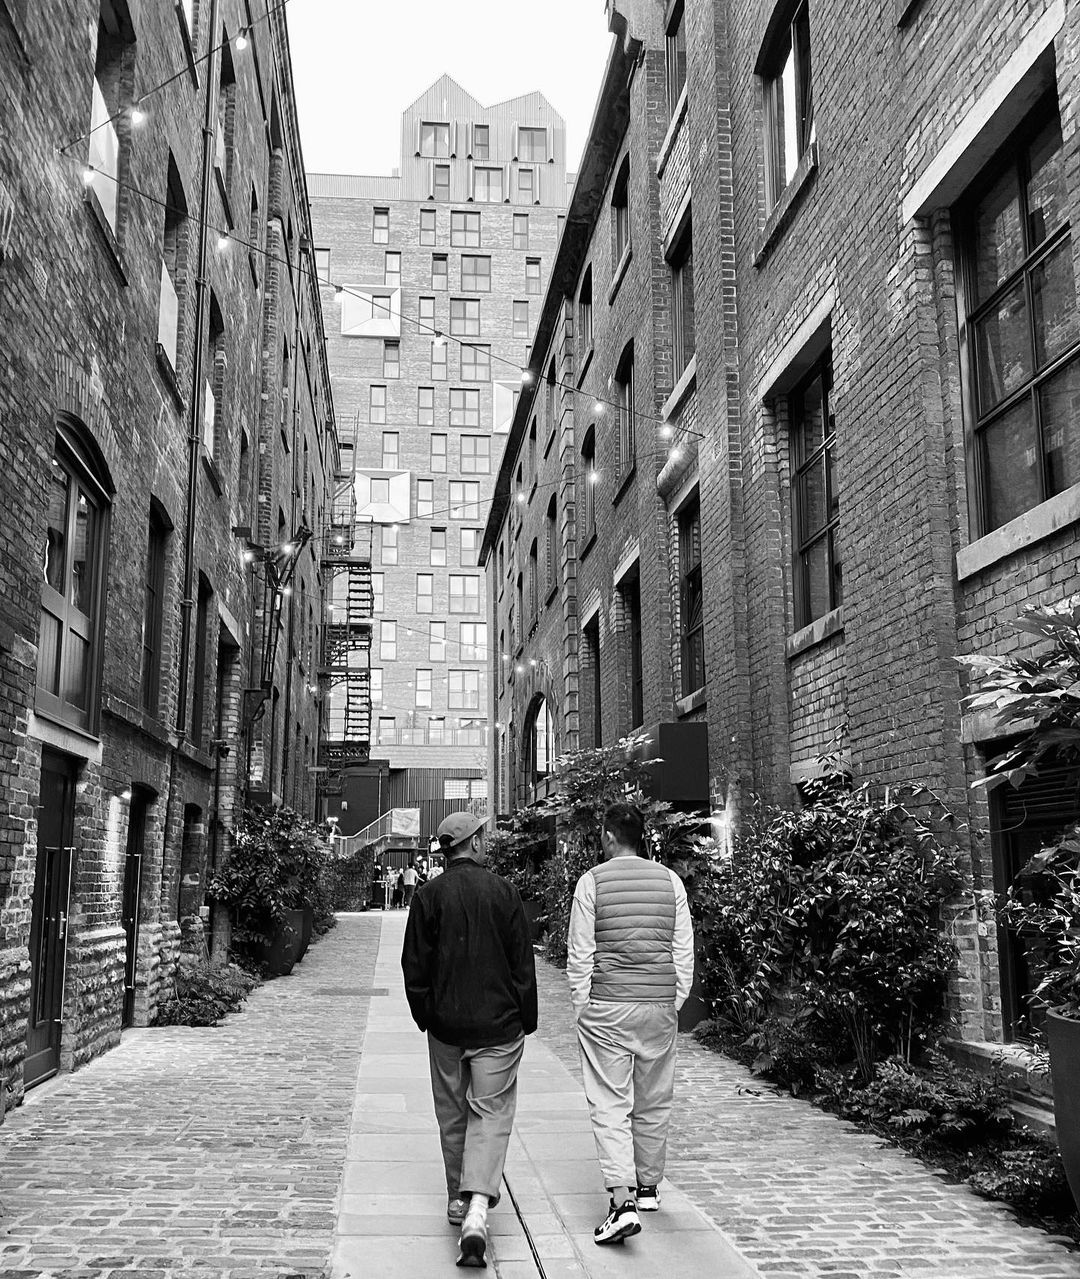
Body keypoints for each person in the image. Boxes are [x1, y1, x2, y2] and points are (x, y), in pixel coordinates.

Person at [401, 811, 538, 1269]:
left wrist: (427, 1015)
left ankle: (458, 1201)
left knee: (452, 1114)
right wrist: (527, 1018)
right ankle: (478, 1204)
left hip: (446, 1026)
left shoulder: (428, 896)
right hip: (498, 1025)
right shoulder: (504, 892)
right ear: (475, 843)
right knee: (491, 1112)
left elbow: (413, 965)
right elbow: (522, 964)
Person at [566, 802, 695, 1246]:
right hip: (658, 1006)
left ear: (607, 836)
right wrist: (674, 1001)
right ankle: (649, 1187)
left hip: (607, 1007)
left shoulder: (592, 882)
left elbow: (580, 953)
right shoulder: (670, 881)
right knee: (654, 1097)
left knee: (609, 1101)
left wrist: (582, 1005)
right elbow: (683, 950)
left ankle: (621, 1201)